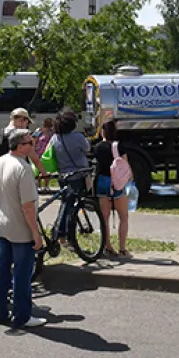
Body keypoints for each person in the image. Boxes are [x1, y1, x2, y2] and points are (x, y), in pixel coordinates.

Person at [0, 128, 46, 329]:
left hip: (3, 226)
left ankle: (0, 311)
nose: (34, 145)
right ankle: (22, 316)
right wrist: (36, 234)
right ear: (20, 146)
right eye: (30, 142)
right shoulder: (23, 168)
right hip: (20, 230)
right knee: (22, 274)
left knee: (2, 271)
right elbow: (27, 206)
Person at [48, 109, 91, 245]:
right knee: (71, 206)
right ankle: (63, 233)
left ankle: (60, 233)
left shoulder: (55, 138)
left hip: (63, 175)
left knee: (65, 203)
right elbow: (87, 149)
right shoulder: (78, 137)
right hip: (78, 174)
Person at [92, 120, 130, 257]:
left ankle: (107, 246)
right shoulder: (119, 146)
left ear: (103, 132)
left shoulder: (96, 147)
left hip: (102, 180)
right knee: (123, 216)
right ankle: (122, 248)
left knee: (105, 218)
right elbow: (125, 165)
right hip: (117, 182)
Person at [32, 116, 55, 191]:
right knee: (38, 169)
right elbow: (34, 140)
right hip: (39, 152)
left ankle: (46, 185)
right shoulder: (39, 130)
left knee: (47, 169)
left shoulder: (52, 132)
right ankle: (39, 185)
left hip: (47, 152)